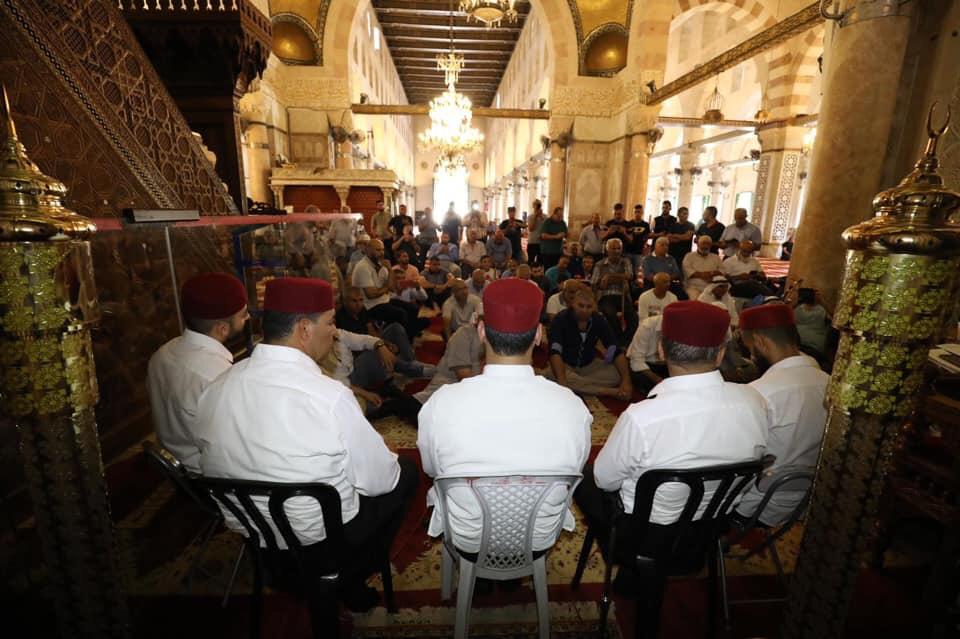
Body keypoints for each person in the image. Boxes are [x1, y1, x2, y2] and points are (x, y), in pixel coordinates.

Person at [196, 278, 418, 612]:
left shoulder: (215, 389)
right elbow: (380, 480)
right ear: (304, 329)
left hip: (259, 541)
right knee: (406, 473)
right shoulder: (327, 396)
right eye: (329, 322)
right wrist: (388, 457)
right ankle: (353, 573)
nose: (335, 330)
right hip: (323, 544)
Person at [576, 301, 768, 595]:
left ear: (662, 351)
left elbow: (605, 480)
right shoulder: (756, 402)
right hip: (709, 532)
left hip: (644, 538)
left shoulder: (642, 417)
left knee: (587, 477)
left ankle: (630, 566)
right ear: (719, 355)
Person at [418, 279, 592, 555]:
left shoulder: (441, 405)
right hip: (538, 538)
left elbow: (432, 470)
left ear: (482, 331)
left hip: (468, 537)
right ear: (538, 335)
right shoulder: (573, 408)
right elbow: (576, 468)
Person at [734, 304, 828, 526]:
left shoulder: (760, 393)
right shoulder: (830, 382)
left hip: (758, 506)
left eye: (750, 349)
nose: (751, 356)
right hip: (809, 500)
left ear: (760, 342)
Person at [147, 272, 249, 473]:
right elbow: (235, 445)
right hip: (207, 477)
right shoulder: (216, 376)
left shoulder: (162, 353)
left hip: (176, 465)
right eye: (243, 314)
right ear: (222, 328)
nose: (249, 317)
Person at [546, 288, 633, 399]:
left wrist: (626, 381)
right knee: (553, 373)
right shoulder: (560, 319)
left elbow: (614, 349)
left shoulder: (599, 320)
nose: (584, 310)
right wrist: (562, 381)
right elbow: (555, 352)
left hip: (590, 366)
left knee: (618, 373)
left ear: (595, 306)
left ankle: (578, 386)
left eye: (589, 307)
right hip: (565, 366)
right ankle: (606, 391)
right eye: (581, 306)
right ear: (572, 304)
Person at [335, 286, 434, 378]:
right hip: (357, 356)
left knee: (396, 327)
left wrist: (384, 343)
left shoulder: (362, 310)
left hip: (371, 343)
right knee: (381, 354)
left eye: (361, 300)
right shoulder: (339, 319)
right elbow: (351, 348)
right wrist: (380, 348)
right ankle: (416, 370)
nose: (359, 304)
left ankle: (412, 361)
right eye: (354, 301)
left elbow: (372, 332)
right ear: (345, 301)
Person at [351, 239, 426, 340]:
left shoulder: (381, 264)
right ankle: (403, 339)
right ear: (368, 250)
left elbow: (392, 287)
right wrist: (386, 288)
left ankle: (409, 335)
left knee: (413, 308)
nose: (381, 253)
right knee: (400, 314)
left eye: (382, 250)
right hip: (369, 306)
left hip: (384, 300)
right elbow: (371, 294)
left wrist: (390, 270)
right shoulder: (362, 267)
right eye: (378, 250)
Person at [413, 320, 484, 405]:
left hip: (472, 392)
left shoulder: (497, 338)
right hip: (447, 390)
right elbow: (465, 379)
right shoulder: (464, 334)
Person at [592, 238, 636, 345]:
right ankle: (619, 341)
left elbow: (629, 276)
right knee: (610, 314)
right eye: (613, 248)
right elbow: (594, 283)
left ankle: (624, 340)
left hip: (622, 295)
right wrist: (619, 279)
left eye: (618, 248)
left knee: (633, 317)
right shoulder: (600, 264)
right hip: (605, 297)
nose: (616, 251)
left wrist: (609, 277)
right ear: (607, 250)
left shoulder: (625, 261)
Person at [625, 314, 668, 394]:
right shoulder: (647, 326)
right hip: (645, 365)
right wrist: (657, 380)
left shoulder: (680, 327)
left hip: (664, 364)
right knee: (646, 383)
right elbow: (636, 360)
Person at [683, 235, 723, 300]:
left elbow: (722, 271)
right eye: (703, 243)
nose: (705, 246)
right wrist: (705, 275)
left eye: (708, 244)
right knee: (695, 301)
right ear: (698, 244)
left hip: (712, 287)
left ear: (710, 246)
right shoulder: (689, 256)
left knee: (717, 303)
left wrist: (711, 274)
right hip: (694, 287)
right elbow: (689, 272)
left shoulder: (716, 257)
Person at [794, 287, 830, 356]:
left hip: (808, 346)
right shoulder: (798, 308)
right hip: (805, 345)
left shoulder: (820, 310)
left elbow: (833, 319)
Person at [627, 204, 651, 271]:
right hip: (628, 251)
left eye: (639, 212)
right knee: (628, 270)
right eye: (636, 212)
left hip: (639, 252)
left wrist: (645, 246)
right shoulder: (628, 223)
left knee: (637, 271)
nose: (637, 214)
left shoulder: (646, 225)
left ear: (642, 213)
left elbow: (647, 236)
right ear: (633, 212)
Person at [526, 199, 546, 265]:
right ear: (533, 206)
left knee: (541, 262)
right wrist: (535, 216)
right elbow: (531, 229)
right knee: (530, 261)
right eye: (536, 205)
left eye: (538, 205)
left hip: (542, 242)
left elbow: (546, 227)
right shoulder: (530, 217)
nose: (537, 206)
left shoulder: (545, 217)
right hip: (532, 242)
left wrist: (541, 217)